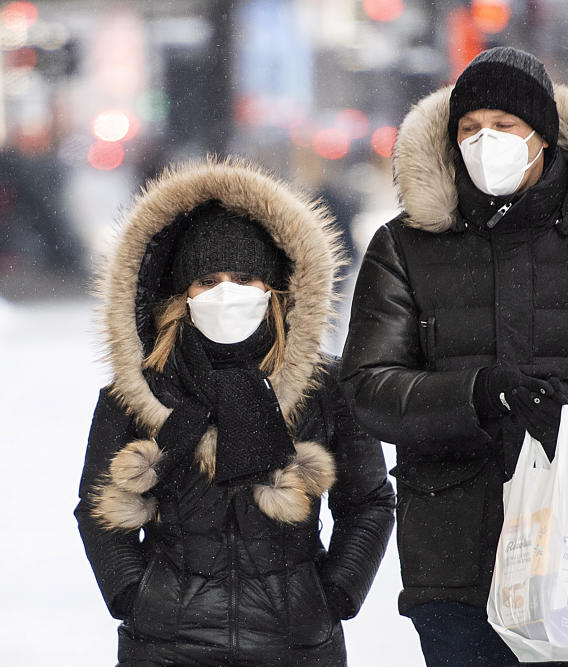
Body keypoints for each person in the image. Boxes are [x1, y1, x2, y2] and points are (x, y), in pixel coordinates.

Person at [340, 46, 568, 666]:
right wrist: (473, 395)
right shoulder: (404, 247)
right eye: (470, 129)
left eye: (504, 126)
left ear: (544, 138)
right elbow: (369, 387)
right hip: (452, 558)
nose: (485, 142)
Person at [75, 158, 395, 666]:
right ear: (183, 295)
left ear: (273, 289)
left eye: (245, 276)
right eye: (208, 280)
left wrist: (334, 593)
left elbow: (369, 502)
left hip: (295, 642)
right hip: (165, 645)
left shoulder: (324, 385)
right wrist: (134, 595)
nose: (227, 293)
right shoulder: (136, 393)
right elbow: (97, 510)